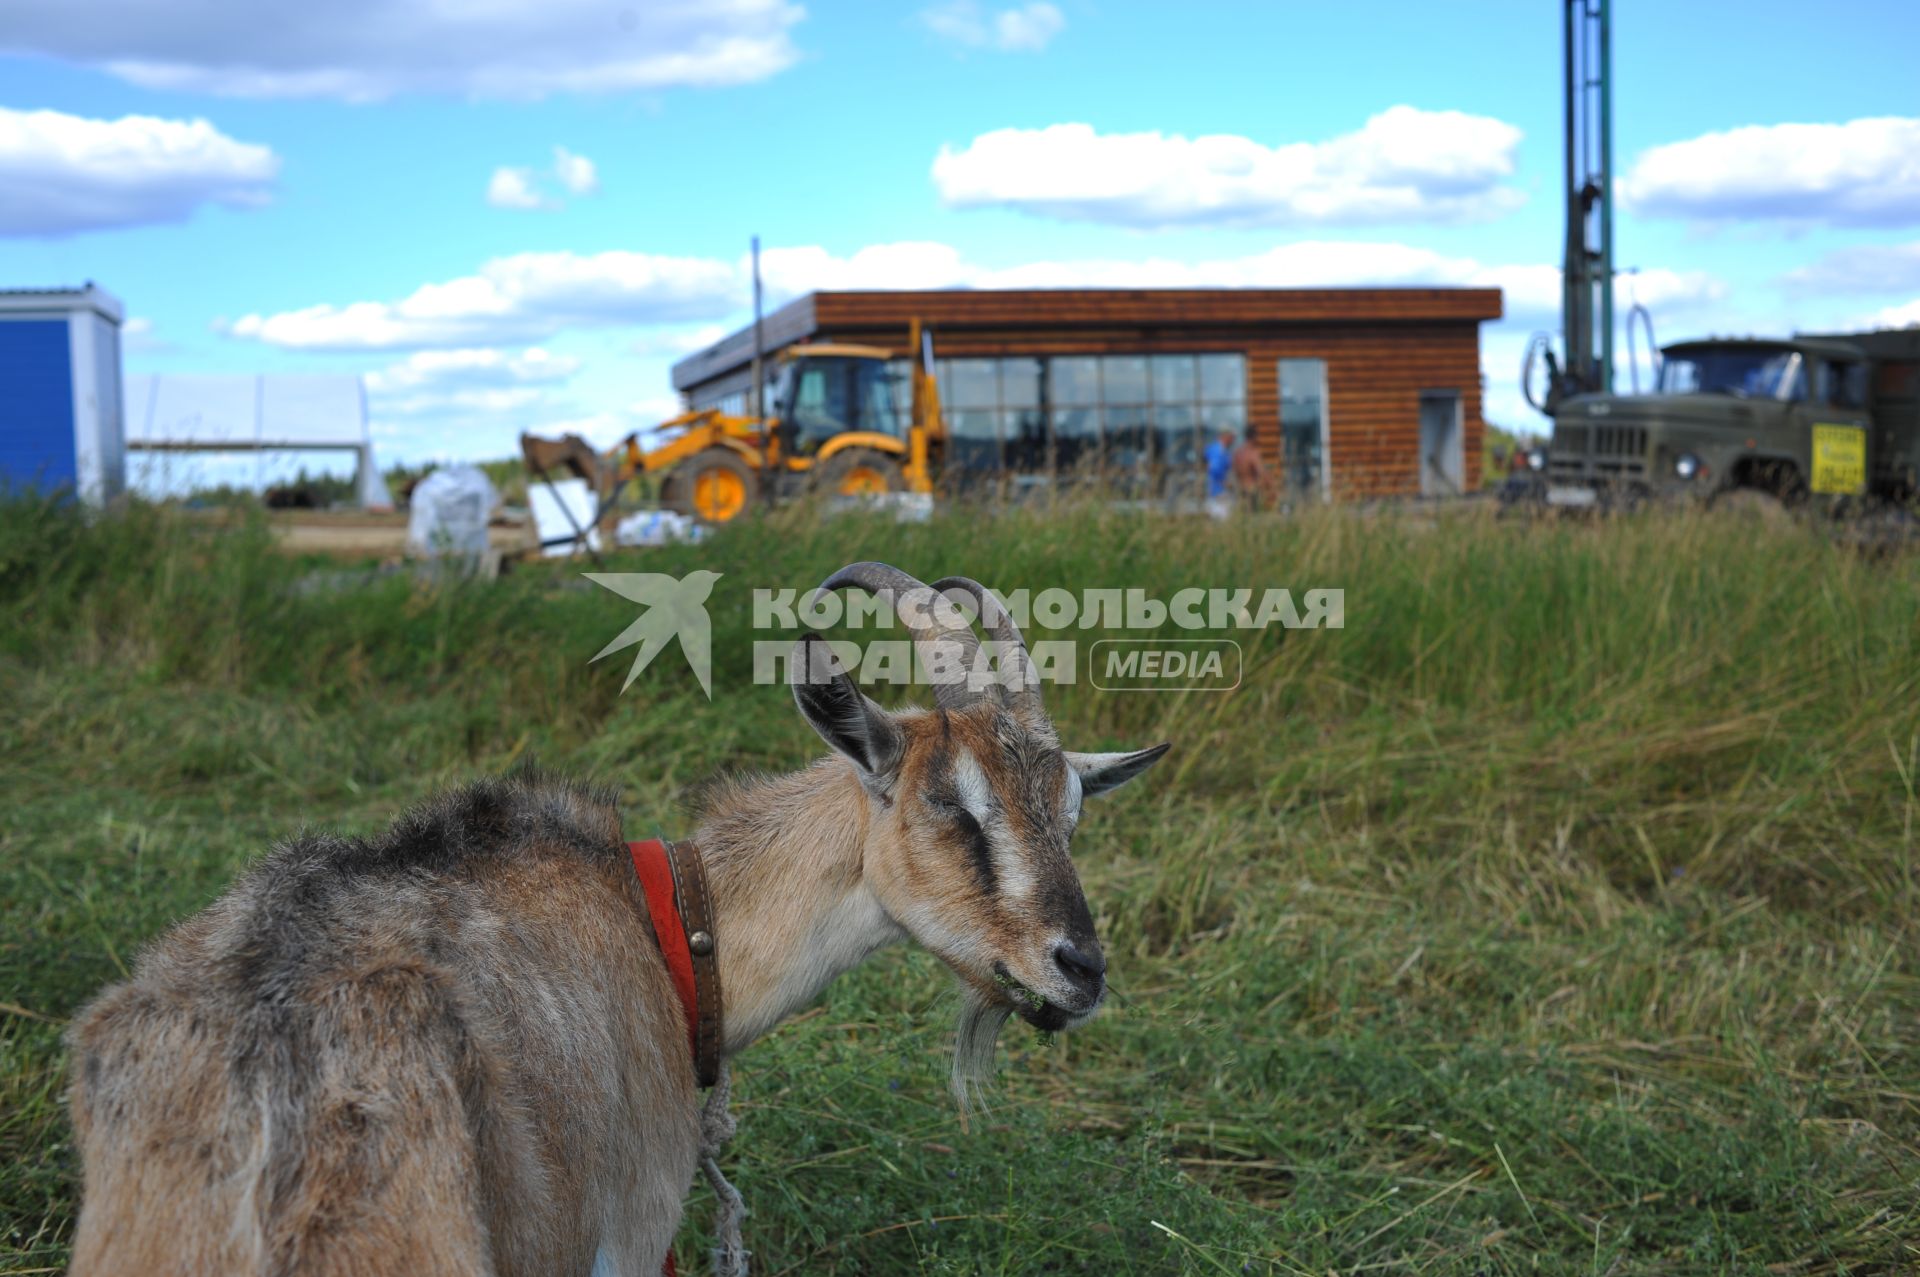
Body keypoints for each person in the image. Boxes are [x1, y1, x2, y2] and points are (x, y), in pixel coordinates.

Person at [1231, 433, 1273, 511]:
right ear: (1254, 438)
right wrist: (1270, 485)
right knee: (1251, 514)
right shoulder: (1253, 453)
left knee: (1240, 515)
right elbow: (1261, 471)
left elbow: (1233, 469)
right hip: (1251, 489)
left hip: (1239, 488)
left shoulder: (1238, 453)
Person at [1203, 428, 1234, 520]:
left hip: (1213, 491)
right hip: (1218, 492)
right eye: (1231, 437)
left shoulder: (1214, 449)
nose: (1233, 440)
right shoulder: (1219, 450)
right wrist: (1223, 481)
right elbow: (1214, 468)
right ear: (1225, 437)